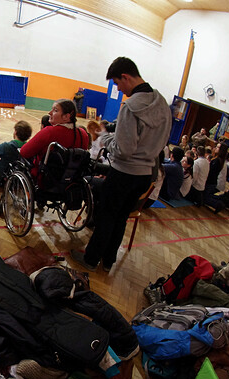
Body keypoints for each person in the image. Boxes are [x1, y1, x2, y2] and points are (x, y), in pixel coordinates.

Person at [73, 57, 171, 272]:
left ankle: (90, 260)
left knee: (107, 216)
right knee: (121, 218)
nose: (119, 89)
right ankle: (108, 261)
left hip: (125, 172)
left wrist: (103, 135)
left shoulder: (131, 107)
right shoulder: (162, 103)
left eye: (118, 83)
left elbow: (123, 150)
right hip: (146, 174)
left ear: (126, 76)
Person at [19, 99, 89, 184]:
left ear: (66, 116)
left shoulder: (49, 132)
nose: (50, 113)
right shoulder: (83, 134)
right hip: (72, 180)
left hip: (47, 180)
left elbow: (24, 152)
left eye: (55, 110)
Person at [0, 120, 32, 185]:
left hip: (3, 179)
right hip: (20, 180)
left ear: (15, 132)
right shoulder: (30, 148)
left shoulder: (6, 146)